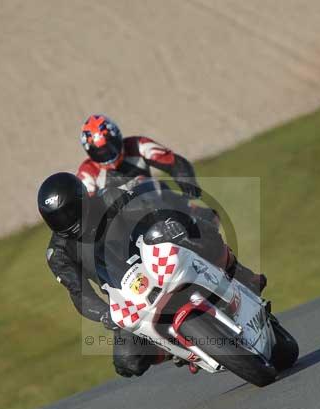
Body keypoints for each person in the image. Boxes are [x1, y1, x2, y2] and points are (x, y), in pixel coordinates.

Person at [38, 171, 266, 378]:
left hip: (155, 254)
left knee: (199, 229)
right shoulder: (58, 253)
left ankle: (241, 274)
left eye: (70, 211)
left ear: (83, 199)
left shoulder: (110, 199)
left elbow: (149, 213)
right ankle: (173, 350)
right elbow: (79, 292)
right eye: (59, 218)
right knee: (127, 362)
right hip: (124, 291)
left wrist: (168, 224)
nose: (68, 221)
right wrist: (103, 314)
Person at [76, 115, 214, 222]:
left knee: (210, 217)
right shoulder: (87, 173)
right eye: (99, 152)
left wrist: (185, 178)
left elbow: (173, 161)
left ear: (118, 137)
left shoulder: (138, 145)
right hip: (120, 224)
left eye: (110, 147)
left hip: (157, 201)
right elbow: (87, 209)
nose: (107, 154)